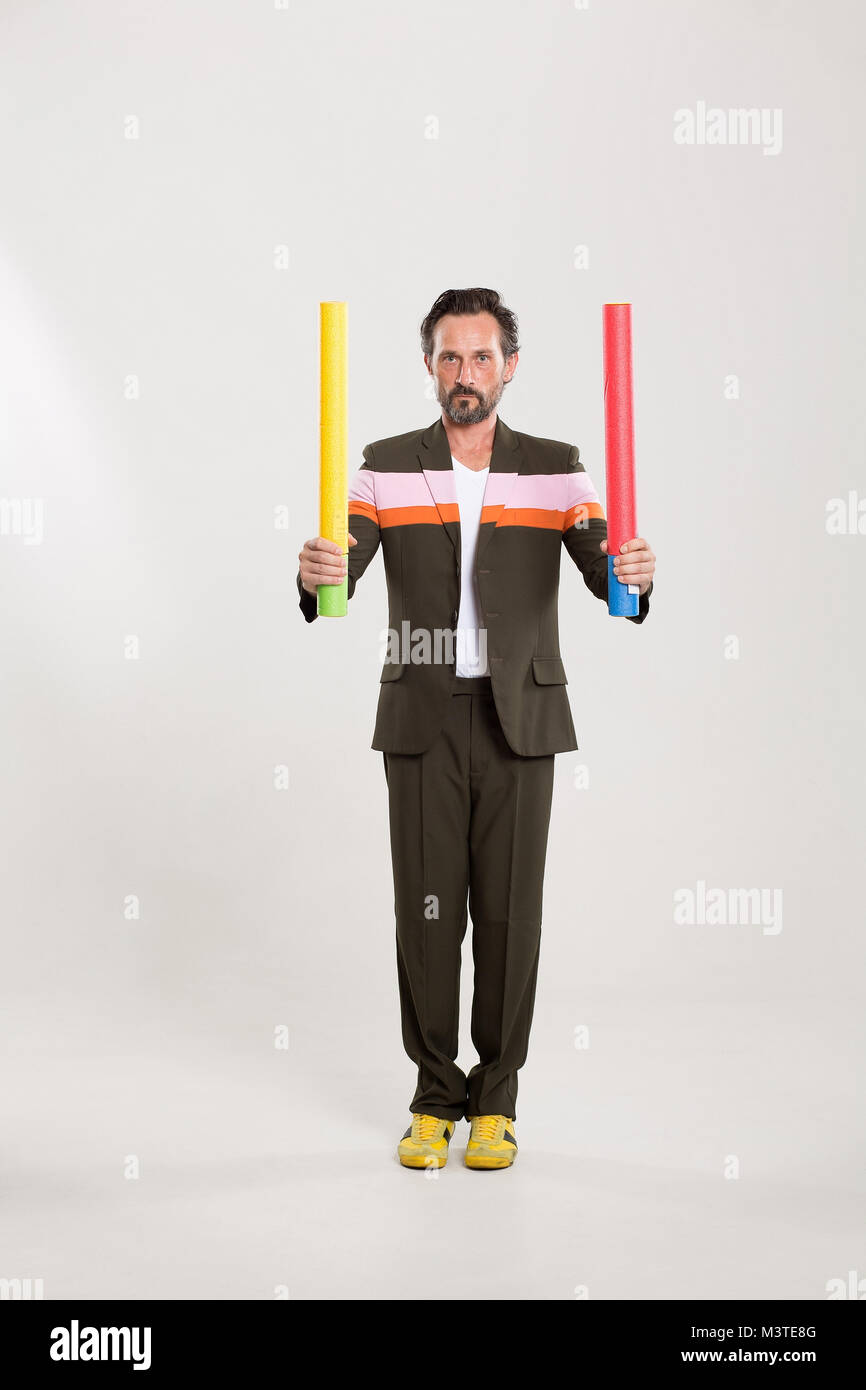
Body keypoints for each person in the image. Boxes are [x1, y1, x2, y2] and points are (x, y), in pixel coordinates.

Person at [297, 288, 656, 1171]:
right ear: (429, 366)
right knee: (426, 917)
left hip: (521, 722)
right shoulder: (383, 464)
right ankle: (432, 1098)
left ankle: (495, 1102)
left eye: (483, 356)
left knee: (508, 917)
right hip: (421, 719)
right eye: (450, 357)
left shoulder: (557, 467)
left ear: (510, 366)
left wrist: (635, 577)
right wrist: (316, 575)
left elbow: (610, 584)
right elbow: (340, 571)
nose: (466, 373)